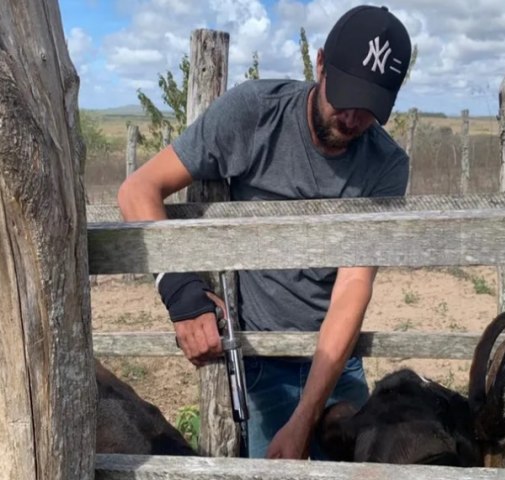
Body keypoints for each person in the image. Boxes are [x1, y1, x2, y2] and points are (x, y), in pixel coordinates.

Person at [117, 4, 412, 460]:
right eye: (346, 97)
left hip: (334, 360)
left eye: (370, 109)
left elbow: (353, 285)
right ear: (319, 65)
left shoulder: (386, 164)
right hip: (257, 358)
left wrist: (304, 419)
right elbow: (139, 189)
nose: (352, 120)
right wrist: (179, 290)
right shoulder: (254, 113)